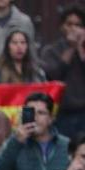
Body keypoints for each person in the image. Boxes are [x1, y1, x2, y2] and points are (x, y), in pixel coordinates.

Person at [39, 6, 85, 139]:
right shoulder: (51, 50)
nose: (73, 29)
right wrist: (71, 48)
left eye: (78, 25)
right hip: (62, 113)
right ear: (62, 27)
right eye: (69, 24)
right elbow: (52, 75)